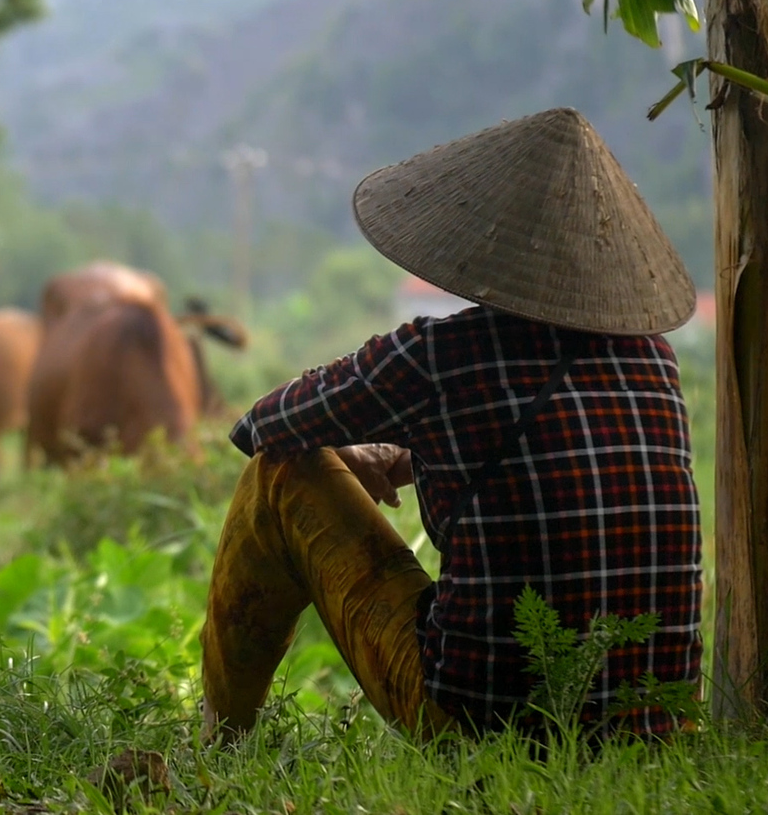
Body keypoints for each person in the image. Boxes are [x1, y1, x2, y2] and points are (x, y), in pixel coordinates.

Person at [199, 108, 703, 741]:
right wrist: (408, 448)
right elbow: (539, 446)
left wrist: (360, 447)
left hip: (479, 722)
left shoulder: (438, 354)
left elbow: (263, 426)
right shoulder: (654, 357)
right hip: (656, 723)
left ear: (482, 241)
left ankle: (220, 736)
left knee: (277, 474)